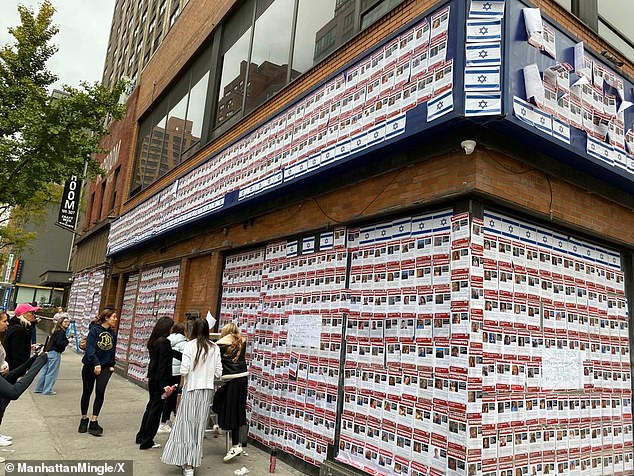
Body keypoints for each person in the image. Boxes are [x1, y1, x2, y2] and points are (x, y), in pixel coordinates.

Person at [161, 318, 222, 476]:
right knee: (198, 427)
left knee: (185, 425)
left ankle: (185, 462)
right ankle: (191, 463)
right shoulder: (215, 347)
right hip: (206, 390)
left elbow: (184, 369)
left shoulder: (189, 345)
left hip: (191, 389)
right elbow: (218, 372)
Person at [136, 316, 174, 449]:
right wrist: (165, 384)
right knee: (156, 410)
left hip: (153, 378)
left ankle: (141, 436)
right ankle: (147, 440)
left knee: (151, 407)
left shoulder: (155, 341)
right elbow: (163, 365)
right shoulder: (164, 342)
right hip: (160, 381)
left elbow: (169, 354)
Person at [78, 309, 117, 436]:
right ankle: (84, 418)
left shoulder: (112, 334)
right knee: (87, 391)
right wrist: (96, 363)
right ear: (106, 318)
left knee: (100, 392)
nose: (115, 319)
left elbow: (112, 350)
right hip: (90, 365)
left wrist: (111, 364)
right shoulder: (94, 330)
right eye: (113, 317)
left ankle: (94, 421)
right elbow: (90, 349)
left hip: (105, 367)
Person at [214, 322, 249, 462]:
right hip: (242, 379)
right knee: (237, 410)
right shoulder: (242, 342)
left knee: (226, 406)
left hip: (231, 380)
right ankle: (222, 427)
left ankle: (235, 444)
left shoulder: (220, 345)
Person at [158, 322, 187, 433]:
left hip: (166, 371)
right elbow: (184, 359)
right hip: (176, 373)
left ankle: (164, 420)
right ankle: (164, 421)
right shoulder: (184, 343)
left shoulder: (166, 340)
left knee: (165, 395)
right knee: (172, 397)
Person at [34, 313, 70, 395]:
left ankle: (39, 388)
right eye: (65, 322)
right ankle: (47, 390)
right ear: (61, 323)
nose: (67, 323)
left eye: (68, 322)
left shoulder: (55, 331)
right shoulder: (61, 332)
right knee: (52, 372)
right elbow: (59, 343)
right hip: (55, 353)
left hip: (49, 352)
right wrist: (67, 341)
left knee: (45, 371)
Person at [5, 303, 39, 371]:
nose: (33, 315)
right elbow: (17, 353)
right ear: (23, 314)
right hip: (14, 369)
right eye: (31, 313)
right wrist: (20, 371)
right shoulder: (20, 330)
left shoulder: (16, 326)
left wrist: (28, 345)